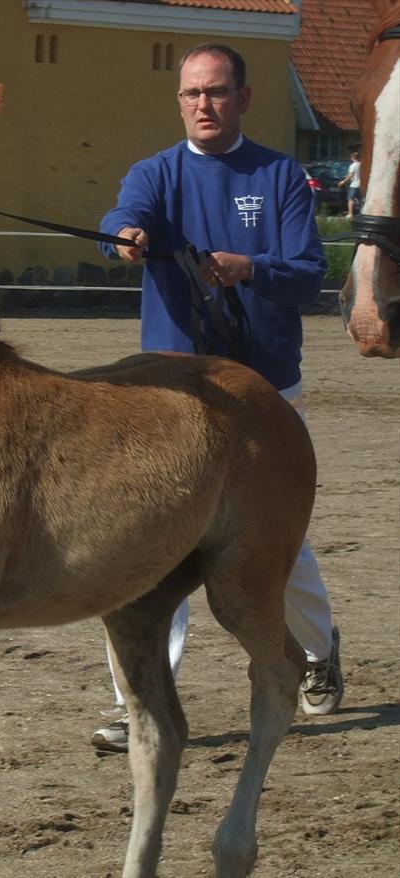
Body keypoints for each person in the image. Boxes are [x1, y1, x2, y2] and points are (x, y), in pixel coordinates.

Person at [91, 43, 344, 753]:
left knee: (278, 549)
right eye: (192, 93)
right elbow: (121, 217)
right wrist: (126, 239)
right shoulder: (156, 174)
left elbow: (305, 275)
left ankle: (320, 652)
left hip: (265, 393)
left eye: (217, 91)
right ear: (180, 101)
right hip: (174, 395)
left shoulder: (282, 175)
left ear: (243, 98)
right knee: (151, 545)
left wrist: (249, 268)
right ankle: (138, 699)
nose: (204, 103)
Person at [339, 151, 362, 218]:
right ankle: (361, 213)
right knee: (360, 200)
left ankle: (350, 214)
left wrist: (343, 181)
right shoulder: (362, 164)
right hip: (361, 185)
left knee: (350, 199)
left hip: (354, 185)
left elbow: (351, 175)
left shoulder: (353, 165)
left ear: (352, 158)